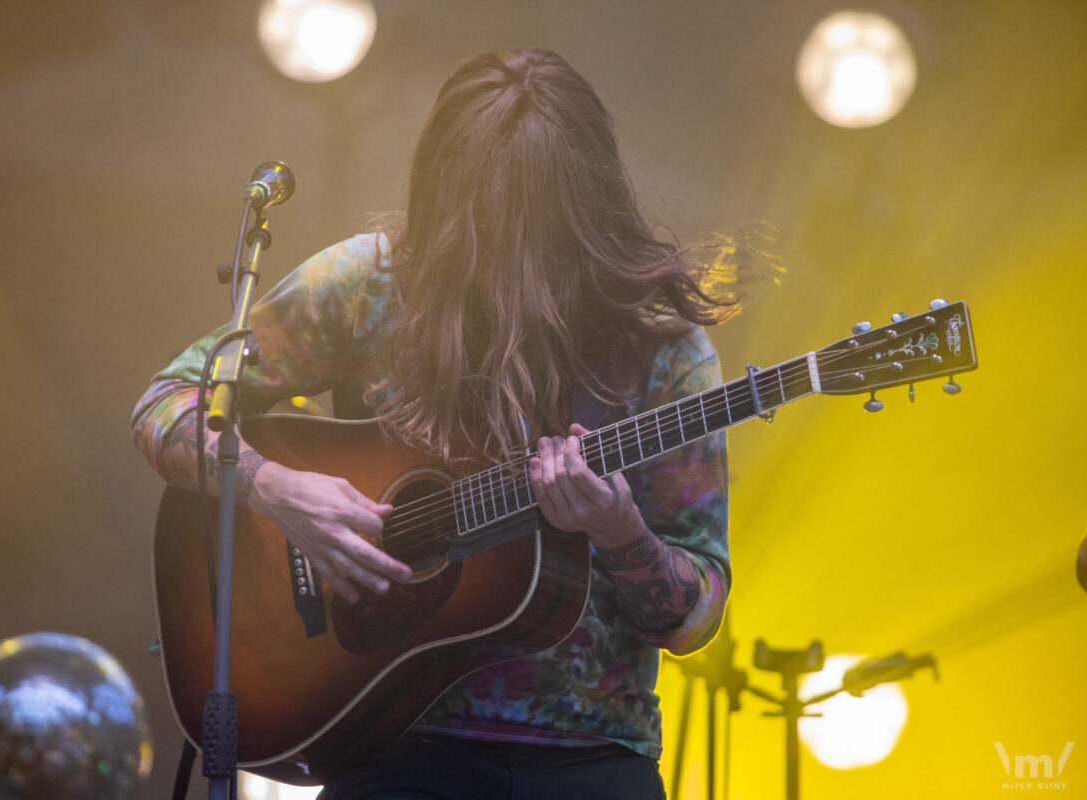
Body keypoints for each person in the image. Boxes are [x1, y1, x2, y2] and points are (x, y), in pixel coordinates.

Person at [132, 49, 737, 800]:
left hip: (593, 752)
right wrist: (278, 489)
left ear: (586, 206)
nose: (505, 248)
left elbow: (694, 619)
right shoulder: (371, 285)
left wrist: (624, 536)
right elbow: (167, 401)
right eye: (482, 219)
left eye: (532, 222)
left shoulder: (660, 346)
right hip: (394, 742)